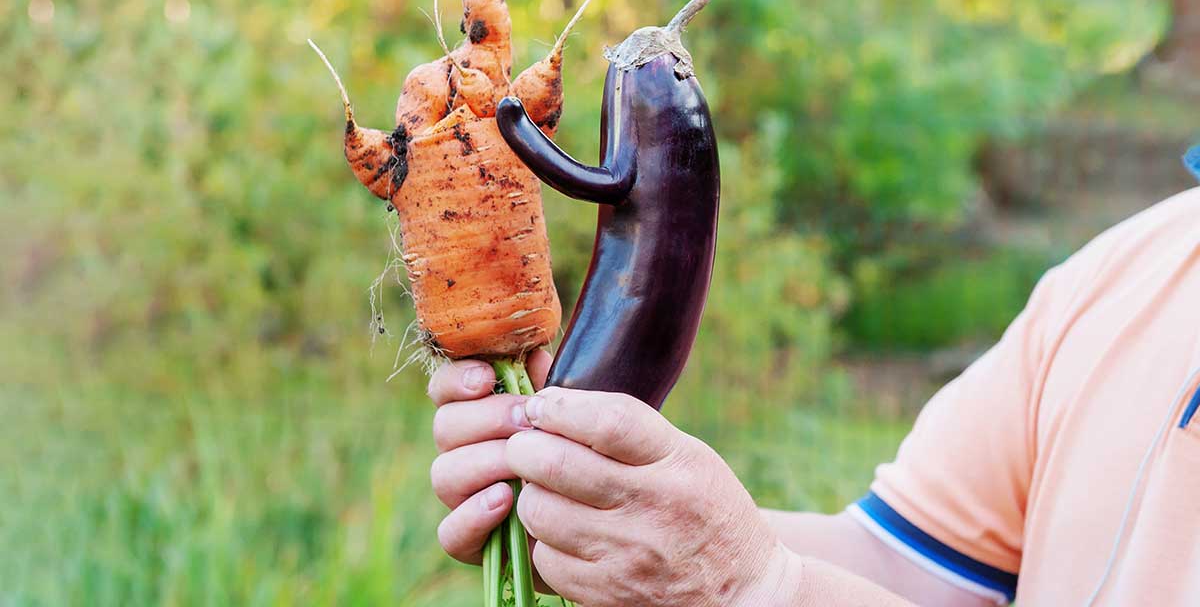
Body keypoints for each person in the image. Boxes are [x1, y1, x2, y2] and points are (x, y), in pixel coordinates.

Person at [427, 165, 1200, 606]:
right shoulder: (1128, 269)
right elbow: (917, 569)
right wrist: (617, 519)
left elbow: (770, 583)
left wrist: (766, 590)